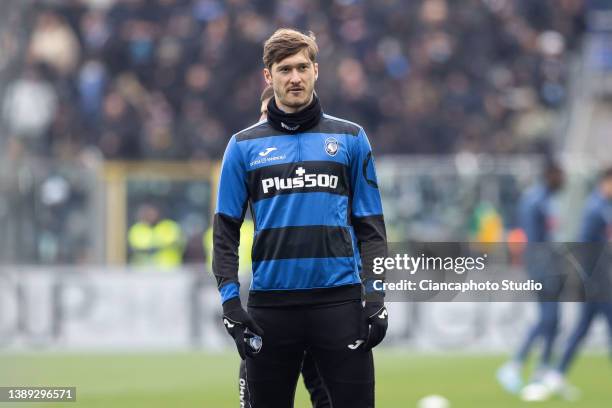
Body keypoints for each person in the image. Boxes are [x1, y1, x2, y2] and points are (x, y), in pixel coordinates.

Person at [213, 28, 388, 408]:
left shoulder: (351, 138)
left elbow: (371, 229)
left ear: (316, 70)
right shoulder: (242, 146)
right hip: (270, 311)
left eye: (302, 67)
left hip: (339, 306)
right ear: (268, 76)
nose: (295, 77)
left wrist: (375, 296)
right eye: (285, 69)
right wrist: (230, 304)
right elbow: (224, 233)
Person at [532, 167, 612, 400]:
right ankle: (553, 374)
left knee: (581, 329)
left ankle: (555, 375)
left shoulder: (604, 207)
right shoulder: (595, 209)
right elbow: (586, 247)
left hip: (601, 281)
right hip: (598, 283)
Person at [497, 160, 565, 394]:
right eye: (560, 175)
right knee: (548, 318)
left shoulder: (544, 199)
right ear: (550, 175)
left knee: (554, 320)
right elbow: (533, 241)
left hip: (549, 266)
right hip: (541, 268)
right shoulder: (535, 200)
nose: (563, 180)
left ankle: (541, 370)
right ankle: (516, 365)